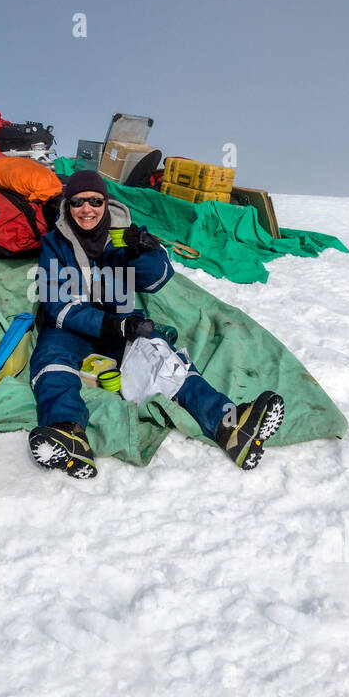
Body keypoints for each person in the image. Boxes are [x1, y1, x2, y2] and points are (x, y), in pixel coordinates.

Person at [28, 170, 285, 477]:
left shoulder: (125, 232)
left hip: (120, 322)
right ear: (67, 206)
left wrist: (144, 252)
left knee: (163, 358)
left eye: (95, 201)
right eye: (78, 202)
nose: (87, 209)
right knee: (51, 362)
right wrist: (111, 326)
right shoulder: (54, 243)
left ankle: (231, 425)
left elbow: (158, 279)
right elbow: (56, 305)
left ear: (105, 202)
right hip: (71, 328)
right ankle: (68, 434)